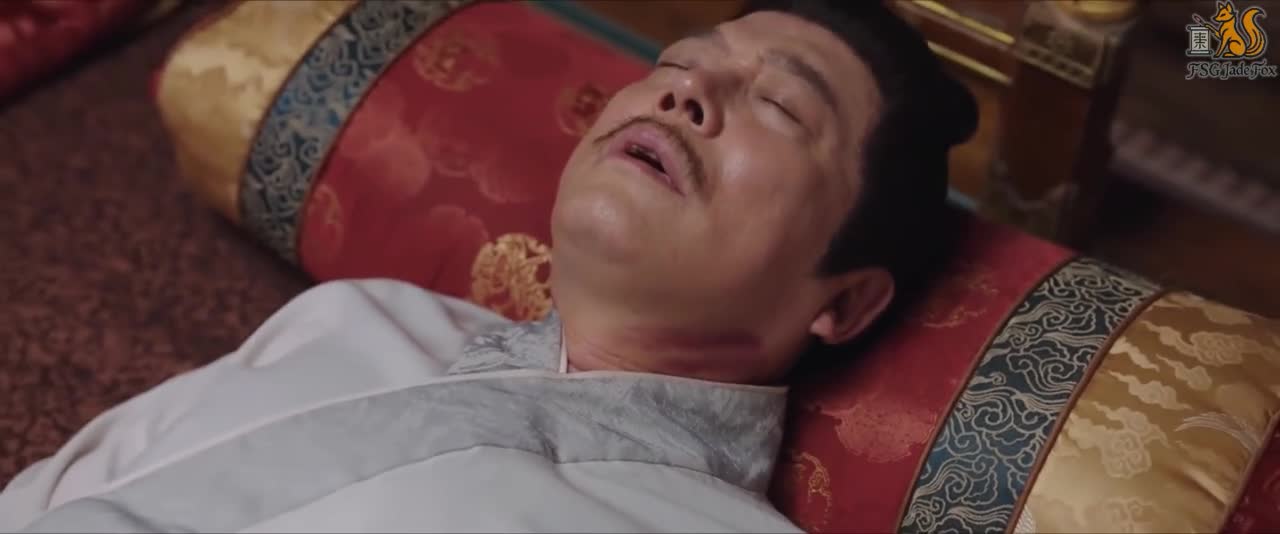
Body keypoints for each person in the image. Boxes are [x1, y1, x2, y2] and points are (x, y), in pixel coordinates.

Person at [0, 1, 975, 531]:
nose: (685, 95)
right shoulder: (359, 317)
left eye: (781, 107)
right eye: (676, 64)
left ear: (845, 300)